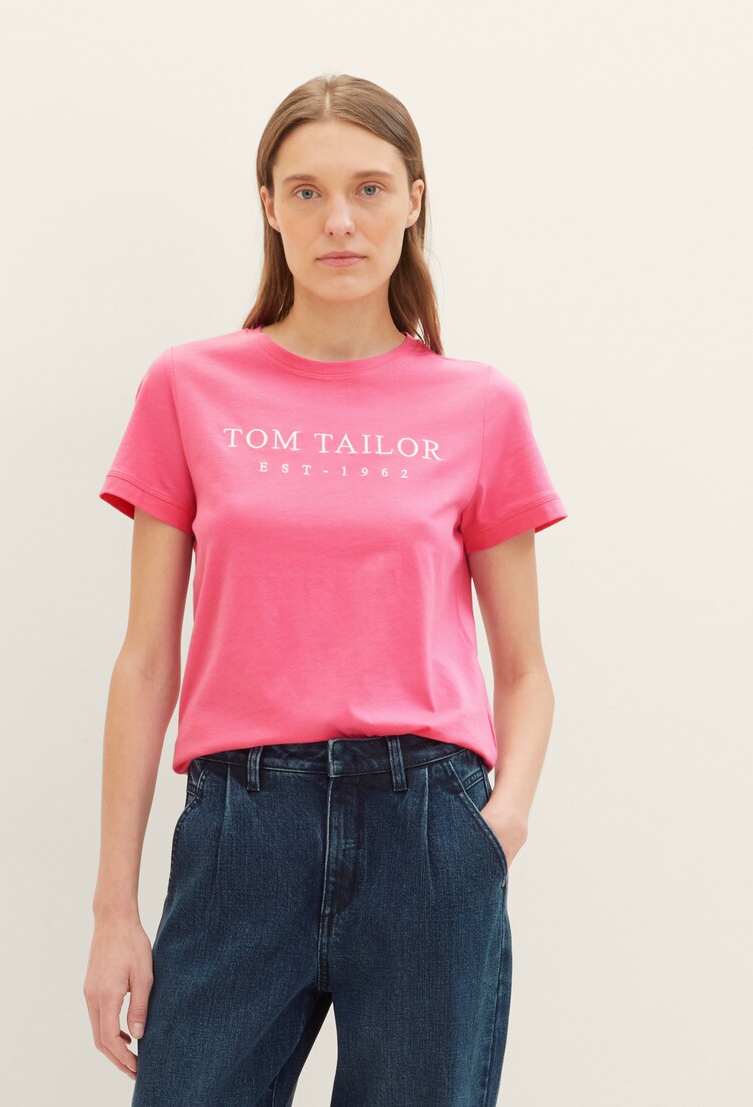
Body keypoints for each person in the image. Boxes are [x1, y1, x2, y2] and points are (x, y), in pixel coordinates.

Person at [84, 72, 568, 1107]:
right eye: (305, 192)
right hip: (240, 828)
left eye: (369, 188)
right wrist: (113, 908)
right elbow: (146, 659)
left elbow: (525, 670)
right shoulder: (188, 387)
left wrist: (500, 827)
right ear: (268, 206)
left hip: (428, 830)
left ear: (414, 200)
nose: (338, 220)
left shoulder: (479, 407)